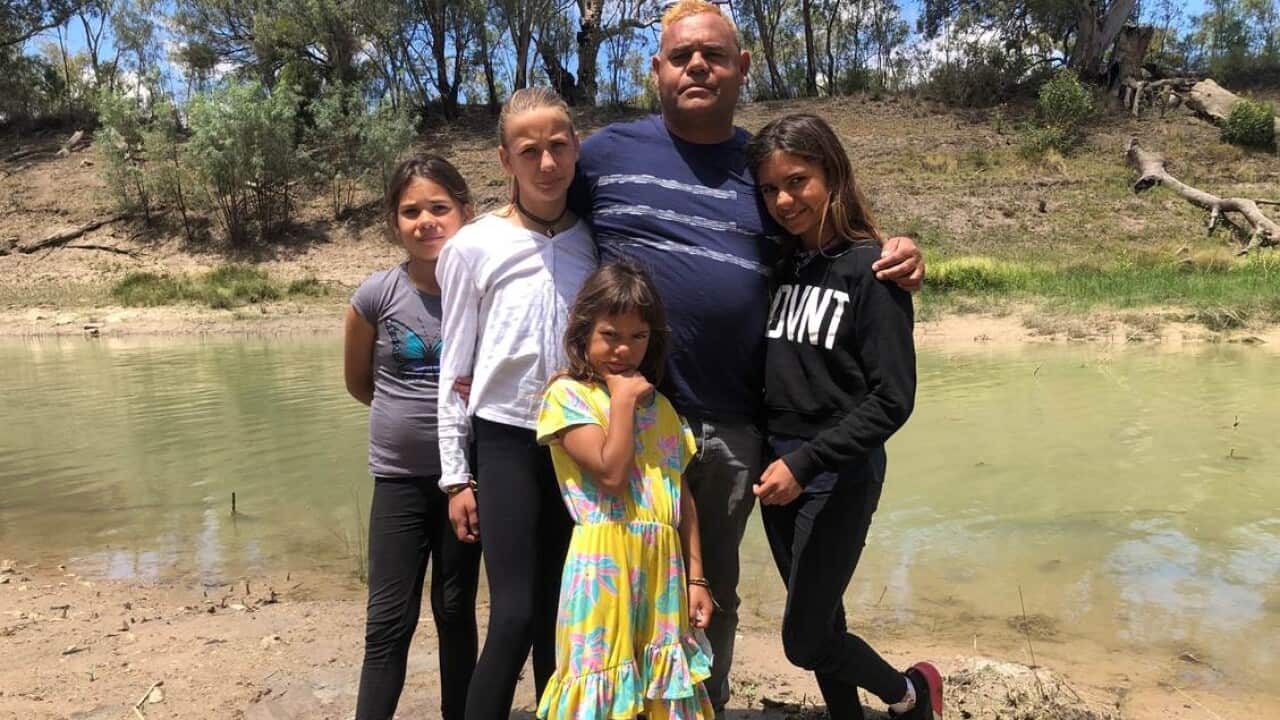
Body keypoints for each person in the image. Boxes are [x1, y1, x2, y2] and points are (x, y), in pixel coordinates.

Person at [569, 1, 925, 712]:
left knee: (713, 590)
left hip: (738, 429)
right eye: (680, 55)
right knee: (617, 572)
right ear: (656, 69)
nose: (696, 65)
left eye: (714, 54)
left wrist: (901, 251)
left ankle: (704, 705)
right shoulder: (602, 155)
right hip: (623, 419)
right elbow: (540, 220)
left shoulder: (763, 164)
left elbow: (828, 232)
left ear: (743, 67)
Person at [744, 113, 942, 719]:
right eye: (770, 188)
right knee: (826, 620)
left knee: (803, 641)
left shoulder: (873, 270)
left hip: (837, 474)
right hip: (778, 474)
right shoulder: (779, 266)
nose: (783, 199)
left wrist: (805, 463)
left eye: (798, 181)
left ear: (832, 175)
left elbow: (893, 399)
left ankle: (910, 693)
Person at [435, 87, 599, 720]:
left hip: (578, 440)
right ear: (506, 160)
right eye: (530, 151)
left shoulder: (593, 240)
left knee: (563, 613)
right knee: (513, 614)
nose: (548, 163)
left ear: (576, 148)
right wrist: (456, 477)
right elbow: (456, 368)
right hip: (503, 441)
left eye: (558, 146)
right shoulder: (473, 245)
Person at [535, 261, 716, 720]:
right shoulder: (567, 396)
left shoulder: (664, 409)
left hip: (662, 566)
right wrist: (620, 401)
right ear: (583, 333)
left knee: (661, 685)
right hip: (602, 565)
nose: (623, 350)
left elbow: (682, 500)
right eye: (610, 334)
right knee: (602, 680)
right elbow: (612, 475)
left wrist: (697, 578)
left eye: (638, 337)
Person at [343, 154, 483, 720]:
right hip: (398, 480)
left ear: (465, 213)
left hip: (467, 484)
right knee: (388, 621)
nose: (426, 220)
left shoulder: (483, 291)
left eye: (439, 208)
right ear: (395, 223)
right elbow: (359, 383)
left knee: (455, 612)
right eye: (410, 211)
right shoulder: (376, 295)